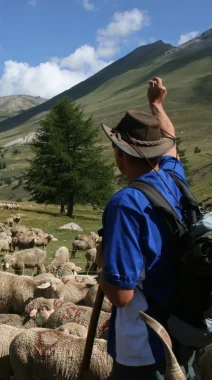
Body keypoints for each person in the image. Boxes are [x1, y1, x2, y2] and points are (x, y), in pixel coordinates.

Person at [97, 77, 197, 380]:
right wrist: (157, 105)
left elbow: (122, 296)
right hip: (183, 329)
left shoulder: (126, 203)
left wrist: (102, 262)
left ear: (119, 154)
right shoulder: (174, 178)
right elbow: (171, 140)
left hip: (143, 347)